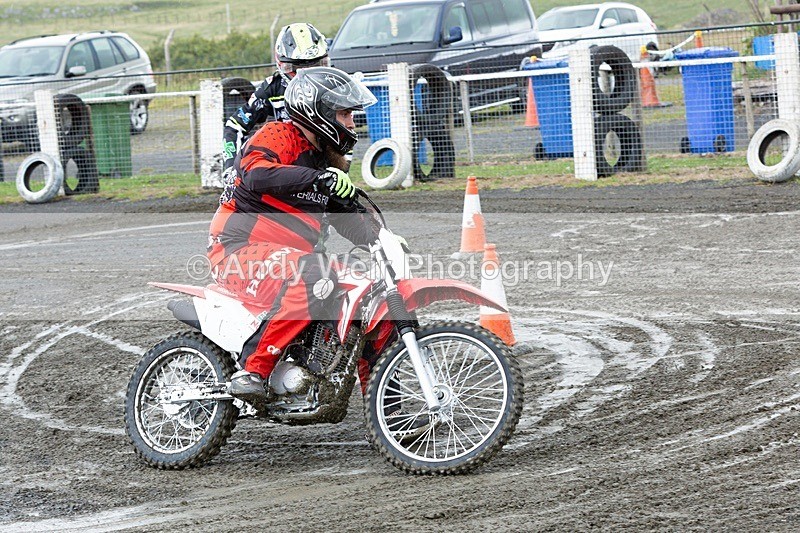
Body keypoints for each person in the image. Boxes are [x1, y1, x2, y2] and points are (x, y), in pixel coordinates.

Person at [208, 66, 378, 404]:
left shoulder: (327, 163)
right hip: (238, 250)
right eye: (345, 114)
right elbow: (255, 173)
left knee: (366, 290)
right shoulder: (278, 134)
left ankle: (385, 405)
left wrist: (380, 238)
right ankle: (253, 371)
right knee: (312, 271)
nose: (352, 124)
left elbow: (347, 220)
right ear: (320, 112)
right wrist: (317, 180)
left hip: (286, 259)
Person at [221, 22, 329, 173]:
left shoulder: (335, 84)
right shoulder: (272, 87)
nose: (307, 74)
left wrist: (339, 172)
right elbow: (234, 126)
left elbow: (348, 132)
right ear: (282, 64)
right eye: (297, 68)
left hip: (325, 168)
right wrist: (230, 169)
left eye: (316, 65)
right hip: (286, 168)